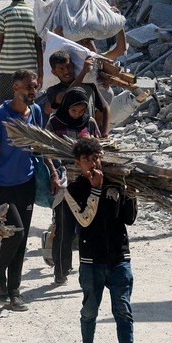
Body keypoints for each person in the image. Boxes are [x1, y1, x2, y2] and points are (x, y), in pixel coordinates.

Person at [65, 136, 141, 343]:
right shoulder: (73, 190)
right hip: (91, 260)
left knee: (123, 311)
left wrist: (131, 192)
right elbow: (85, 220)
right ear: (78, 163)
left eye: (96, 157)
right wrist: (96, 189)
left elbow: (129, 219)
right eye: (87, 159)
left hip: (119, 257)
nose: (93, 162)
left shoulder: (116, 183)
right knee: (89, 311)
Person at [0, 69, 52, 311]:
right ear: (15, 88)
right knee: (15, 234)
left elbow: (40, 145)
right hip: (4, 186)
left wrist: (52, 173)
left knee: (22, 236)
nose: (33, 91)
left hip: (26, 183)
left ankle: (14, 291)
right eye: (28, 86)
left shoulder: (36, 112)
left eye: (35, 86)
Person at [46, 88, 101, 284]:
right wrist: (53, 173)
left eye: (81, 111)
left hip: (87, 181)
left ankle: (87, 271)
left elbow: (98, 149)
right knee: (64, 229)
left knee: (88, 229)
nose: (78, 115)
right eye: (74, 111)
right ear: (66, 107)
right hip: (65, 182)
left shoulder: (90, 122)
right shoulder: (54, 122)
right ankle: (60, 271)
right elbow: (46, 151)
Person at [0, 0, 42, 103]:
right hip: (29, 70)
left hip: (7, 70)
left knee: (5, 104)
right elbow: (39, 48)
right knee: (28, 103)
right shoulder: (34, 16)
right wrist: (41, 73)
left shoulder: (2, 15)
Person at [43, 50, 110, 136]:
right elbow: (66, 97)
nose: (66, 71)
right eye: (61, 69)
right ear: (54, 72)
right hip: (63, 138)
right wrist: (83, 72)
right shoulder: (53, 90)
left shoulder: (88, 87)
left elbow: (105, 108)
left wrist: (105, 133)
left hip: (85, 136)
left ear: (73, 65)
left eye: (68, 66)